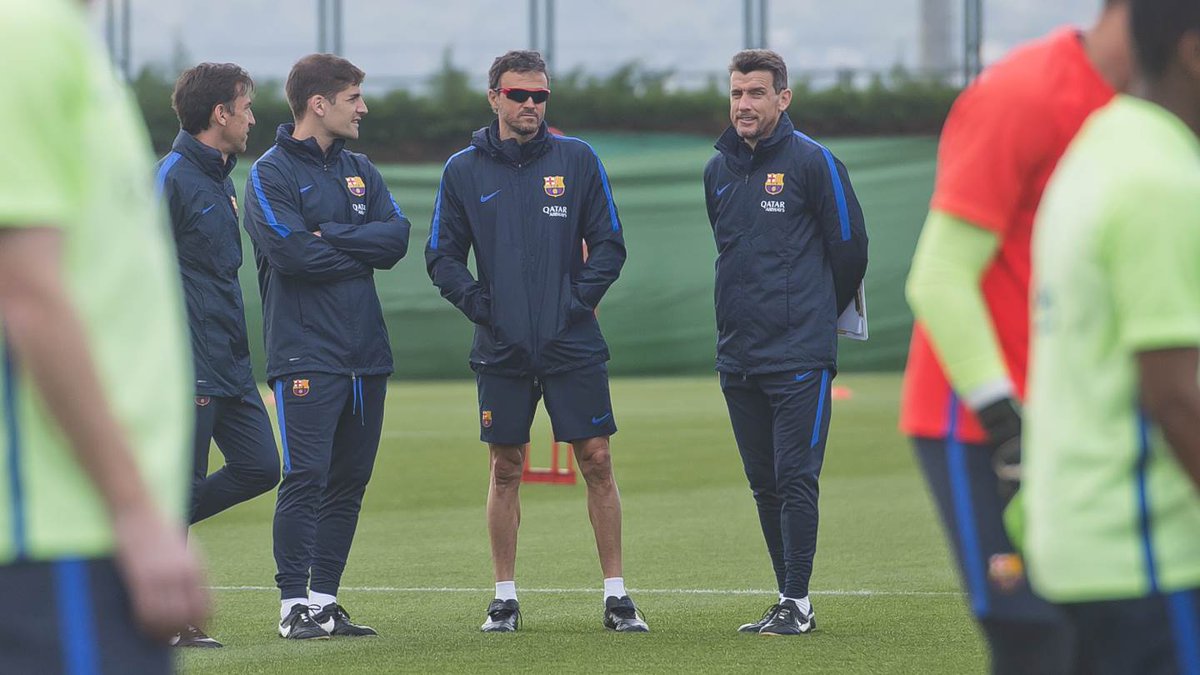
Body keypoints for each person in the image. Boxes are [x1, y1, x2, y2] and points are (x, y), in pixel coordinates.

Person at [900, 1, 1131, 670]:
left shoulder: (1152, 110)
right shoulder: (1022, 93)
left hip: (1086, 414)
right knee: (1037, 636)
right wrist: (1005, 421)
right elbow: (939, 277)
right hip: (986, 424)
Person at [0, 0, 209, 671]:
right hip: (57, 534)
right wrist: (135, 512)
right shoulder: (22, 35)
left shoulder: (70, 42)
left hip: (90, 531)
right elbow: (25, 295)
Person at [426, 50, 647, 633]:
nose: (530, 104)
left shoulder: (577, 159)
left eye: (539, 95)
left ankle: (617, 596)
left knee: (597, 459)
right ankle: (504, 598)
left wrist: (576, 302)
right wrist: (483, 308)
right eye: (518, 94)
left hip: (571, 341)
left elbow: (610, 244)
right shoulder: (463, 170)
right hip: (501, 346)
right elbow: (442, 256)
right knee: (506, 466)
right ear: (494, 97)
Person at [1024, 0, 1200, 671]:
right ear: (1193, 53)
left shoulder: (1103, 145)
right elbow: (1175, 398)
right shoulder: (1160, 181)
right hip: (1146, 556)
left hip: (1085, 546)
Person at [243, 53, 411, 640]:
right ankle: (292, 607)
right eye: (353, 98)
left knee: (348, 483)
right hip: (305, 354)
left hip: (367, 354)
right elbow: (292, 254)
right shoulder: (268, 173)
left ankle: (324, 601)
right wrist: (357, 249)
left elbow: (396, 240)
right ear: (319, 103)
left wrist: (332, 235)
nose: (363, 108)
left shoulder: (361, 168)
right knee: (306, 477)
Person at [702, 49, 868, 636]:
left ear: (783, 98)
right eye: (736, 93)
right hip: (737, 353)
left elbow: (850, 249)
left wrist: (813, 314)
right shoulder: (717, 171)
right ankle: (786, 598)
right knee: (764, 483)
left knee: (795, 477)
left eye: (756, 93)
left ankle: (798, 601)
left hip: (799, 353)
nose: (744, 105)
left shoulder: (814, 162)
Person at [158, 62, 281, 648]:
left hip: (230, 364)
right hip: (185, 366)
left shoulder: (222, 179)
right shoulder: (172, 177)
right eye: (246, 106)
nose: (252, 118)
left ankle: (140, 532)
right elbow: (136, 269)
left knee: (262, 467)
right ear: (220, 114)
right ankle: (168, 618)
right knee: (181, 483)